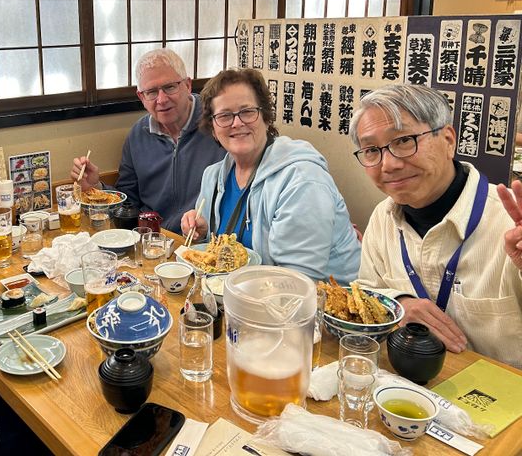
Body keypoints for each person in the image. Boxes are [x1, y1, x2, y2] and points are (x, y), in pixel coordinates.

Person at [350, 84, 522, 369]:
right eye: (371, 150)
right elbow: (368, 289)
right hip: (406, 390)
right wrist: (399, 303)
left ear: (448, 139)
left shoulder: (506, 223)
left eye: (404, 140)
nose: (389, 164)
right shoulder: (383, 216)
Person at [181, 68, 361, 282]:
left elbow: (298, 281)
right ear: (213, 128)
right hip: (241, 293)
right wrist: (200, 232)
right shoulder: (213, 176)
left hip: (321, 304)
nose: (237, 123)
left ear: (266, 117)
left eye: (247, 111)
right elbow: (216, 254)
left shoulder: (301, 179)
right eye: (225, 115)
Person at [71, 48, 226, 233]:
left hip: (203, 241)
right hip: (152, 240)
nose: (161, 99)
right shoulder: (137, 135)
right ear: (141, 97)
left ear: (187, 85)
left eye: (170, 87)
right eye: (151, 92)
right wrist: (96, 188)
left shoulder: (219, 123)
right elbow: (129, 203)